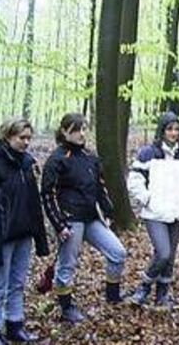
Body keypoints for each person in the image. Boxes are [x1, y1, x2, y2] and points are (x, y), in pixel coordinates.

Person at [41, 113, 127, 324]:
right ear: (64, 132)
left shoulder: (90, 157)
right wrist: (59, 224)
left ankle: (113, 296)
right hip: (70, 220)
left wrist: (107, 212)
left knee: (118, 253)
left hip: (91, 218)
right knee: (67, 265)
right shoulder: (57, 159)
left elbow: (100, 188)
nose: (82, 134)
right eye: (76, 130)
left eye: (84, 129)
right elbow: (47, 194)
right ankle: (66, 307)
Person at [127, 112, 179, 309]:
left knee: (171, 256)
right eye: (169, 129)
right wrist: (147, 199)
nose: (173, 133)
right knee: (163, 252)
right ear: (162, 131)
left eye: (176, 129)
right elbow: (134, 181)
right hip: (154, 212)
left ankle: (162, 295)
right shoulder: (148, 154)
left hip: (177, 211)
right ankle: (144, 287)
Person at [0, 118, 49, 343]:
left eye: (29, 138)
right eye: (22, 138)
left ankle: (15, 324)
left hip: (24, 231)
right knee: (0, 284)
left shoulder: (27, 164)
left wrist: (39, 236)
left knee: (18, 283)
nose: (26, 142)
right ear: (8, 136)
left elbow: (33, 201)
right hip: (3, 233)